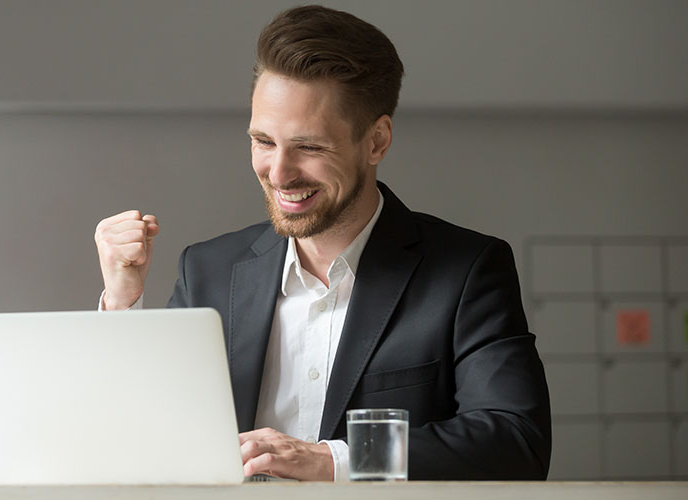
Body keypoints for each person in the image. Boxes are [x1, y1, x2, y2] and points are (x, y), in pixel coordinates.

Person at [94, 5, 551, 481]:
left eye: (309, 147)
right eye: (263, 141)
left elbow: (516, 441)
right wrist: (124, 306)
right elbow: (143, 434)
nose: (279, 172)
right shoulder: (208, 269)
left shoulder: (467, 271)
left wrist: (331, 461)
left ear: (376, 141)